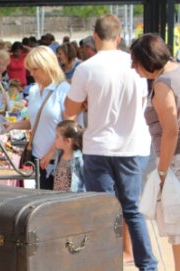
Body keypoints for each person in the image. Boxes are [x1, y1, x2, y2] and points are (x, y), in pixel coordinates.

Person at [63, 14, 157, 270]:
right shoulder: (136, 64)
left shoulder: (86, 69)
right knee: (133, 210)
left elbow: (69, 112)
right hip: (133, 145)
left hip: (98, 146)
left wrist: (85, 103)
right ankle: (148, 265)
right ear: (120, 37)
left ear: (94, 36)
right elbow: (144, 104)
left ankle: (103, 263)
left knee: (102, 211)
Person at [131, 33, 180, 271]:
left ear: (146, 60)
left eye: (135, 61)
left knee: (178, 232)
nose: (133, 67)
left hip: (175, 163)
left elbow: (171, 131)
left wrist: (161, 172)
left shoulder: (163, 84)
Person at [4, 46, 69, 190]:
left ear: (47, 66)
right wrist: (13, 126)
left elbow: (68, 129)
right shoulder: (33, 90)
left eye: (35, 69)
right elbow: (34, 120)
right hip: (37, 159)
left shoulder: (63, 90)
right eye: (29, 69)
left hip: (56, 159)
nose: (31, 73)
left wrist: (51, 152)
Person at [53, 120, 85, 192]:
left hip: (72, 199)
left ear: (68, 141)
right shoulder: (59, 154)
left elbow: (85, 181)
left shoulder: (79, 159)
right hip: (58, 198)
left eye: (57, 137)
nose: (55, 139)